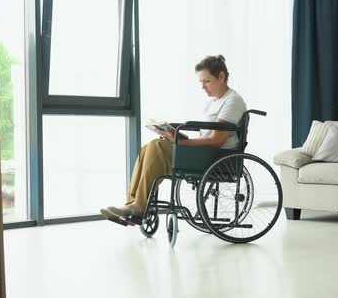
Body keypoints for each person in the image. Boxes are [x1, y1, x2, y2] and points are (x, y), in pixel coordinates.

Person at [100, 55, 247, 225]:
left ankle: (139, 207)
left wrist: (181, 142)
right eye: (200, 82)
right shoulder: (213, 102)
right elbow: (206, 136)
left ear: (221, 77)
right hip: (206, 153)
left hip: (217, 157)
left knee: (158, 146)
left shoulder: (233, 101)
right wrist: (173, 134)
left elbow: (215, 141)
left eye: (206, 81)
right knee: (148, 148)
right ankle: (131, 205)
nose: (202, 87)